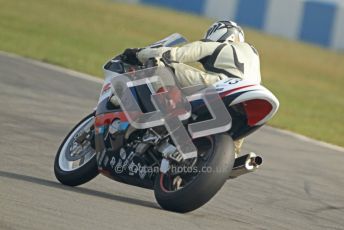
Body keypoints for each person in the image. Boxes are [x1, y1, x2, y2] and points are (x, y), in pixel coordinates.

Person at [122, 20, 262, 157]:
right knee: (237, 123)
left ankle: (170, 114)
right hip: (249, 95)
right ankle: (233, 156)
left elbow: (173, 54)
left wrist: (138, 54)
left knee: (159, 64)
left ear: (221, 32)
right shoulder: (253, 54)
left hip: (222, 84)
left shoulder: (217, 46)